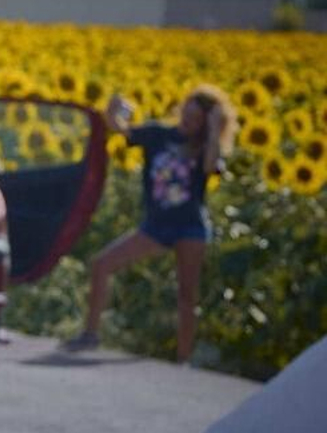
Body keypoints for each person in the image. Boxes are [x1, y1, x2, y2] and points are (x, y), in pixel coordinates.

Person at [64, 85, 235, 362]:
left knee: (187, 295)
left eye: (194, 120)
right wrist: (113, 108)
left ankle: (183, 360)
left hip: (190, 228)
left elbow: (209, 168)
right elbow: (119, 128)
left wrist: (215, 129)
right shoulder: (159, 134)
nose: (186, 123)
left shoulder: (207, 147)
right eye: (185, 115)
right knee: (102, 264)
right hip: (155, 226)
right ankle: (90, 334)